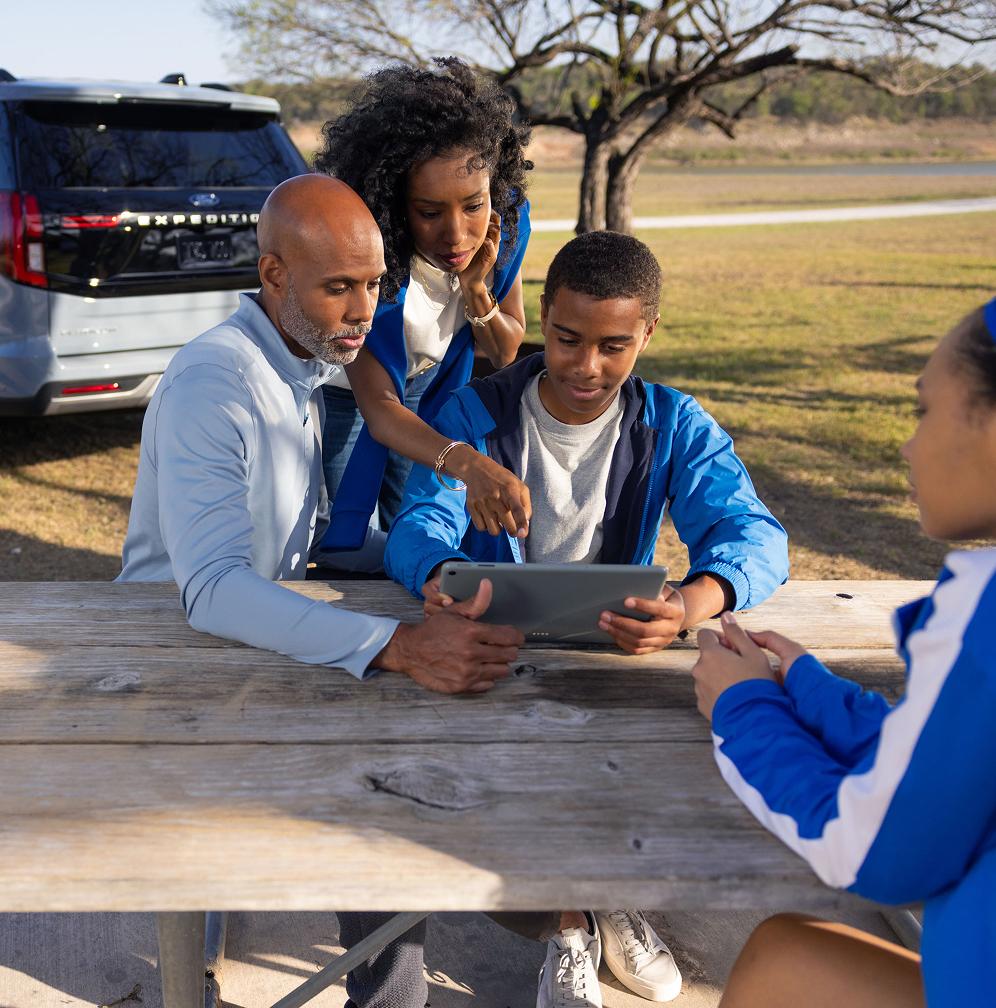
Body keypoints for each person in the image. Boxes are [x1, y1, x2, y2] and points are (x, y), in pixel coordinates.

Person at [383, 231, 790, 1007]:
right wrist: (440, 577)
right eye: (567, 339)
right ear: (543, 318)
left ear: (648, 336)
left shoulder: (673, 422)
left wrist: (686, 607)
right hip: (493, 646)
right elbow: (416, 528)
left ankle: (608, 896)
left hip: (613, 658)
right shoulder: (477, 410)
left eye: (614, 346)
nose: (586, 367)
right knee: (489, 773)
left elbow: (756, 536)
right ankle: (575, 921)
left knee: (662, 755)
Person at [690, 299, 996, 1008]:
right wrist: (806, 685)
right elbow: (947, 758)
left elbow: (873, 853)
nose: (907, 447)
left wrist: (743, 706)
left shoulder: (983, 611)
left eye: (924, 413)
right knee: (785, 958)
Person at [117, 173, 523, 696]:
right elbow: (212, 590)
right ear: (274, 274)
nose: (364, 312)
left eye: (374, 284)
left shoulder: (303, 364)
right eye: (339, 287)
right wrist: (401, 646)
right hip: (159, 654)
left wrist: (442, 566)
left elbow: (315, 538)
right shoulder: (214, 383)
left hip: (260, 647)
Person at [312, 58, 533, 565]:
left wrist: (477, 290)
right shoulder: (371, 255)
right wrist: (467, 463)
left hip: (426, 387)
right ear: (394, 204)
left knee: (412, 523)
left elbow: (504, 349)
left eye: (473, 205)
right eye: (430, 212)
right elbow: (379, 409)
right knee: (351, 542)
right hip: (348, 395)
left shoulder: (506, 227)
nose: (457, 235)